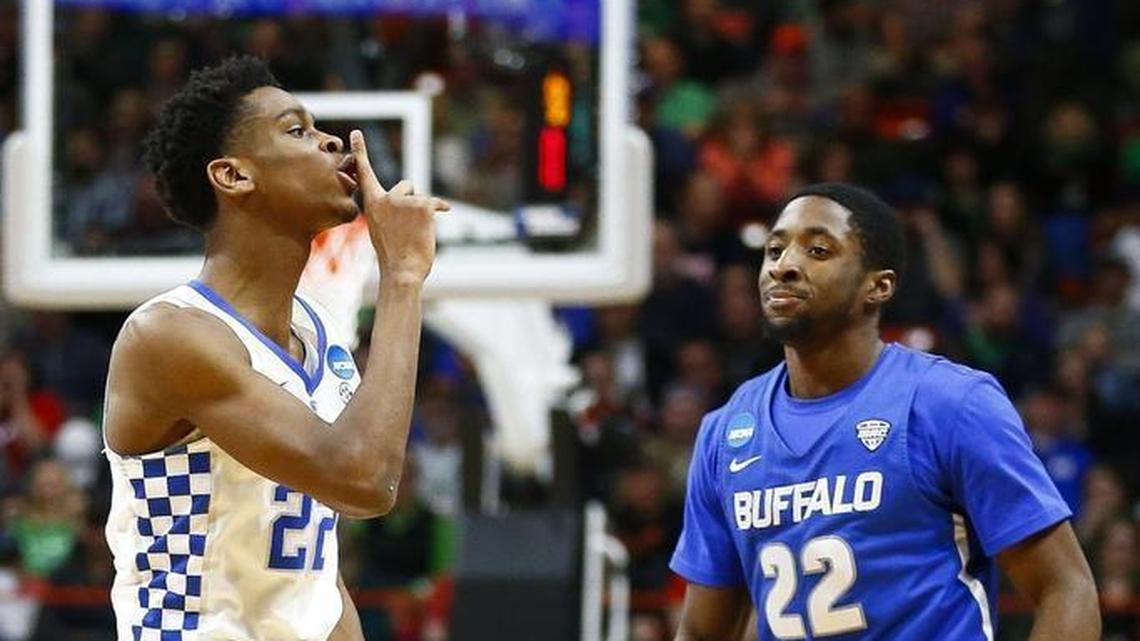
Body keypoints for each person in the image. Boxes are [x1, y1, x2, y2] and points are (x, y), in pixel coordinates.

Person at [102, 56, 447, 641]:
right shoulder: (170, 336)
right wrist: (403, 279)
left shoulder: (319, 333)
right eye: (298, 130)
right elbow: (366, 481)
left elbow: (314, 581)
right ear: (234, 176)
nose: (331, 140)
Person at [670, 183, 1100, 640]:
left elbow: (1066, 589)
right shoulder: (725, 433)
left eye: (817, 250)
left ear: (878, 286)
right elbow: (701, 631)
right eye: (775, 250)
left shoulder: (949, 404)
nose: (784, 267)